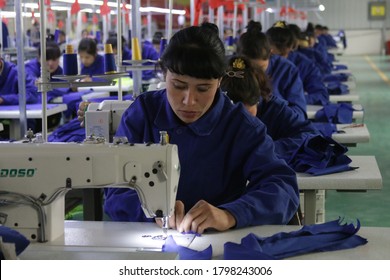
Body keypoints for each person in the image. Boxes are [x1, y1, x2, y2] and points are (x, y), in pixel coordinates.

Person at [102, 23, 299, 234]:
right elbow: (115, 190)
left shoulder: (240, 127)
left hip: (219, 242)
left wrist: (230, 214)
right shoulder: (143, 114)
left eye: (203, 88)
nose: (189, 101)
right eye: (178, 85)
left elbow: (282, 187)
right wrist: (150, 210)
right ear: (164, 74)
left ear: (220, 81)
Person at [220, 55, 318, 163]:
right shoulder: (212, 111)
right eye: (235, 113)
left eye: (247, 113)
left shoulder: (274, 109)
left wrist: (267, 148)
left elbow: (311, 135)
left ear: (257, 100)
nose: (242, 119)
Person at [236, 20, 307, 121]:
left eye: (260, 68)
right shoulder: (229, 72)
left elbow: (300, 114)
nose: (255, 74)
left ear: (271, 53)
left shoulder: (287, 70)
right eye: (249, 68)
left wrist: (272, 106)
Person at [265, 21, 329, 106]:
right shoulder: (258, 64)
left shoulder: (304, 64)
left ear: (290, 47)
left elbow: (321, 95)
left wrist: (294, 100)